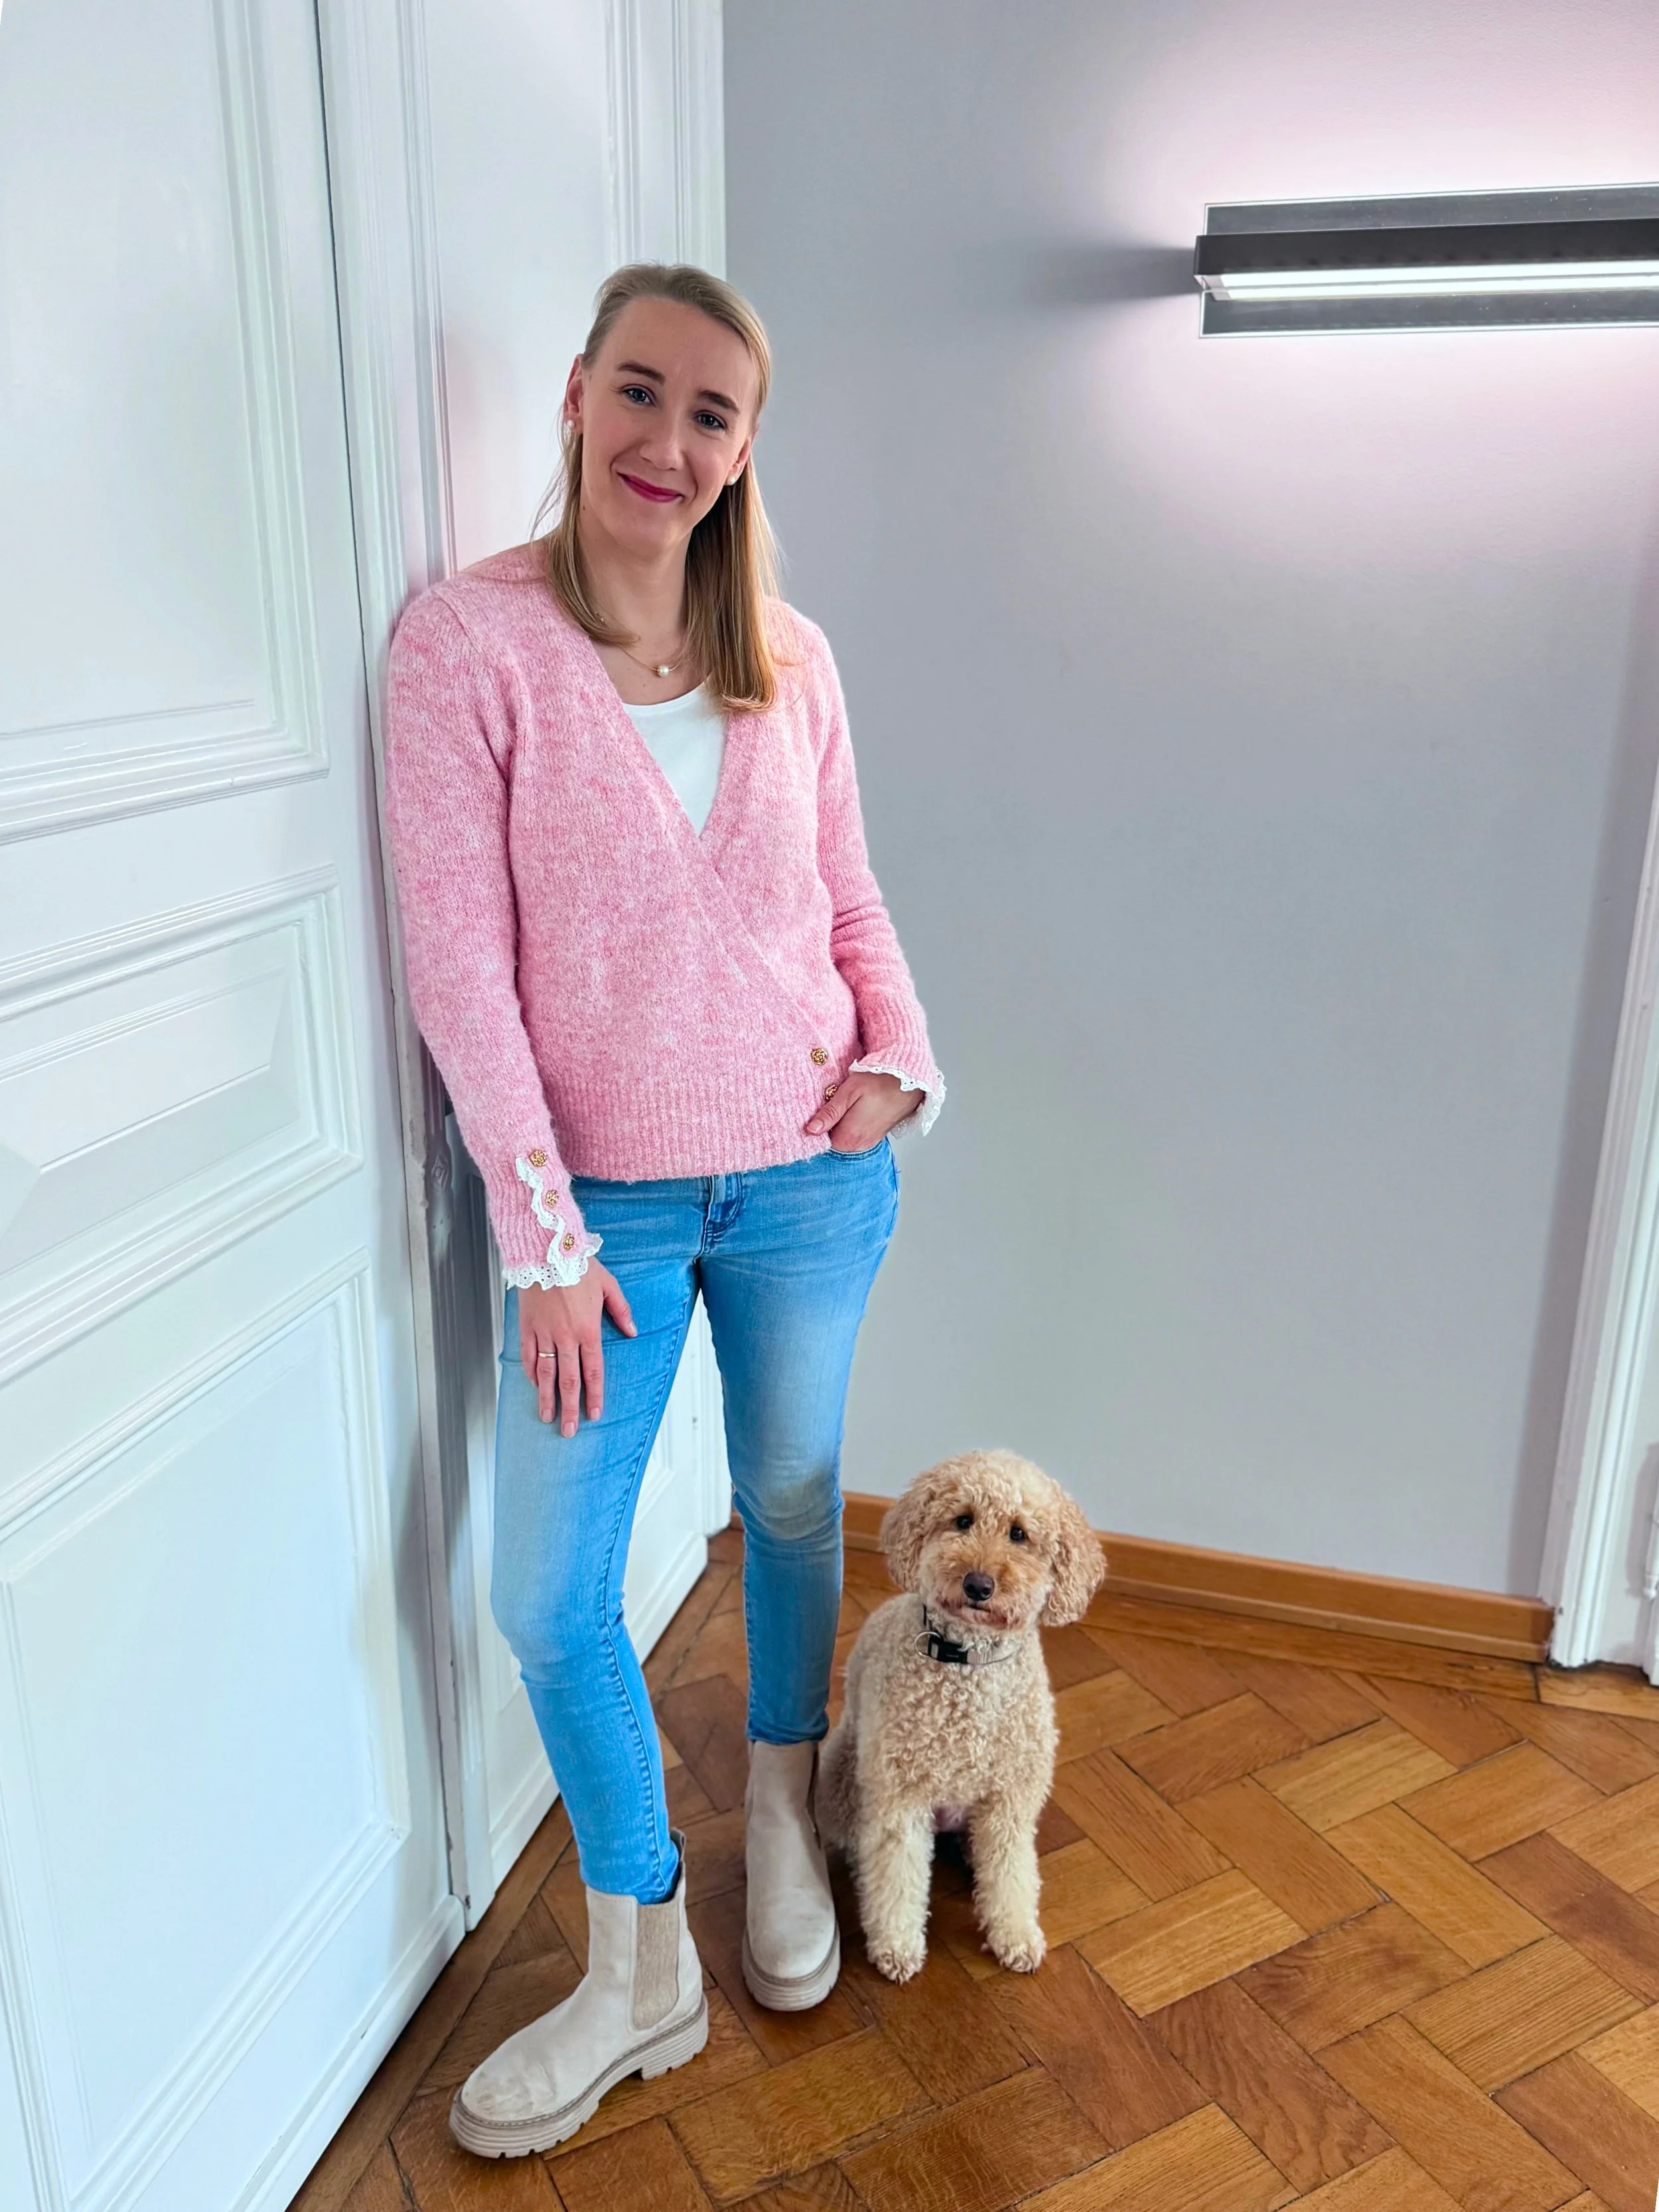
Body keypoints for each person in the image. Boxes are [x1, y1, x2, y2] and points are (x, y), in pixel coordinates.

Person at [382, 262, 944, 2157]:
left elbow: (846, 894)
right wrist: (541, 1235)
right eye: (640, 390)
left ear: (744, 448)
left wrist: (903, 1052)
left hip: (809, 1178)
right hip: (599, 1214)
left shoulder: (790, 652)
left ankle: (783, 1804)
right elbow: (460, 971)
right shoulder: (469, 645)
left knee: (789, 1500)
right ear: (576, 395)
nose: (668, 439)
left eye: (712, 413)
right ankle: (639, 1966)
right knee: (549, 1593)